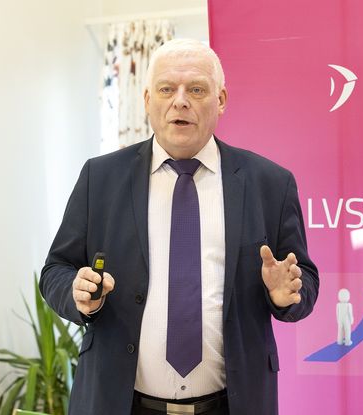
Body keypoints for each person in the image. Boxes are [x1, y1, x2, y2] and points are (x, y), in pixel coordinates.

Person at [40, 38, 319, 415]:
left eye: (197, 89)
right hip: (119, 403)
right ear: (147, 100)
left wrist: (285, 294)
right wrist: (77, 293)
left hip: (232, 405)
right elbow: (56, 269)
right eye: (167, 89)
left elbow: (304, 279)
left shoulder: (270, 183)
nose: (181, 101)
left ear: (221, 100)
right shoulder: (100, 177)